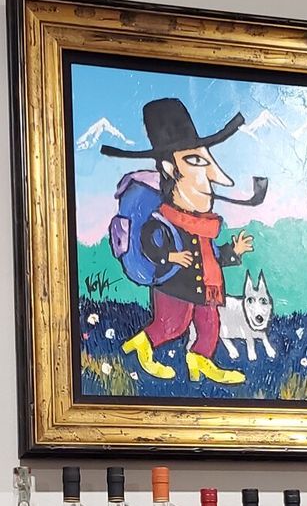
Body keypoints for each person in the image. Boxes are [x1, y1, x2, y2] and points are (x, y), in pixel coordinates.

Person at [102, 97, 256, 386]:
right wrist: (170, 257)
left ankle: (200, 360)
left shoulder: (204, 224)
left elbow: (210, 254)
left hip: (203, 288)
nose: (209, 179)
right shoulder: (166, 216)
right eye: (195, 161)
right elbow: (150, 240)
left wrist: (232, 252)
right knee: (172, 324)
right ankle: (143, 344)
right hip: (173, 283)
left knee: (209, 324)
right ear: (171, 170)